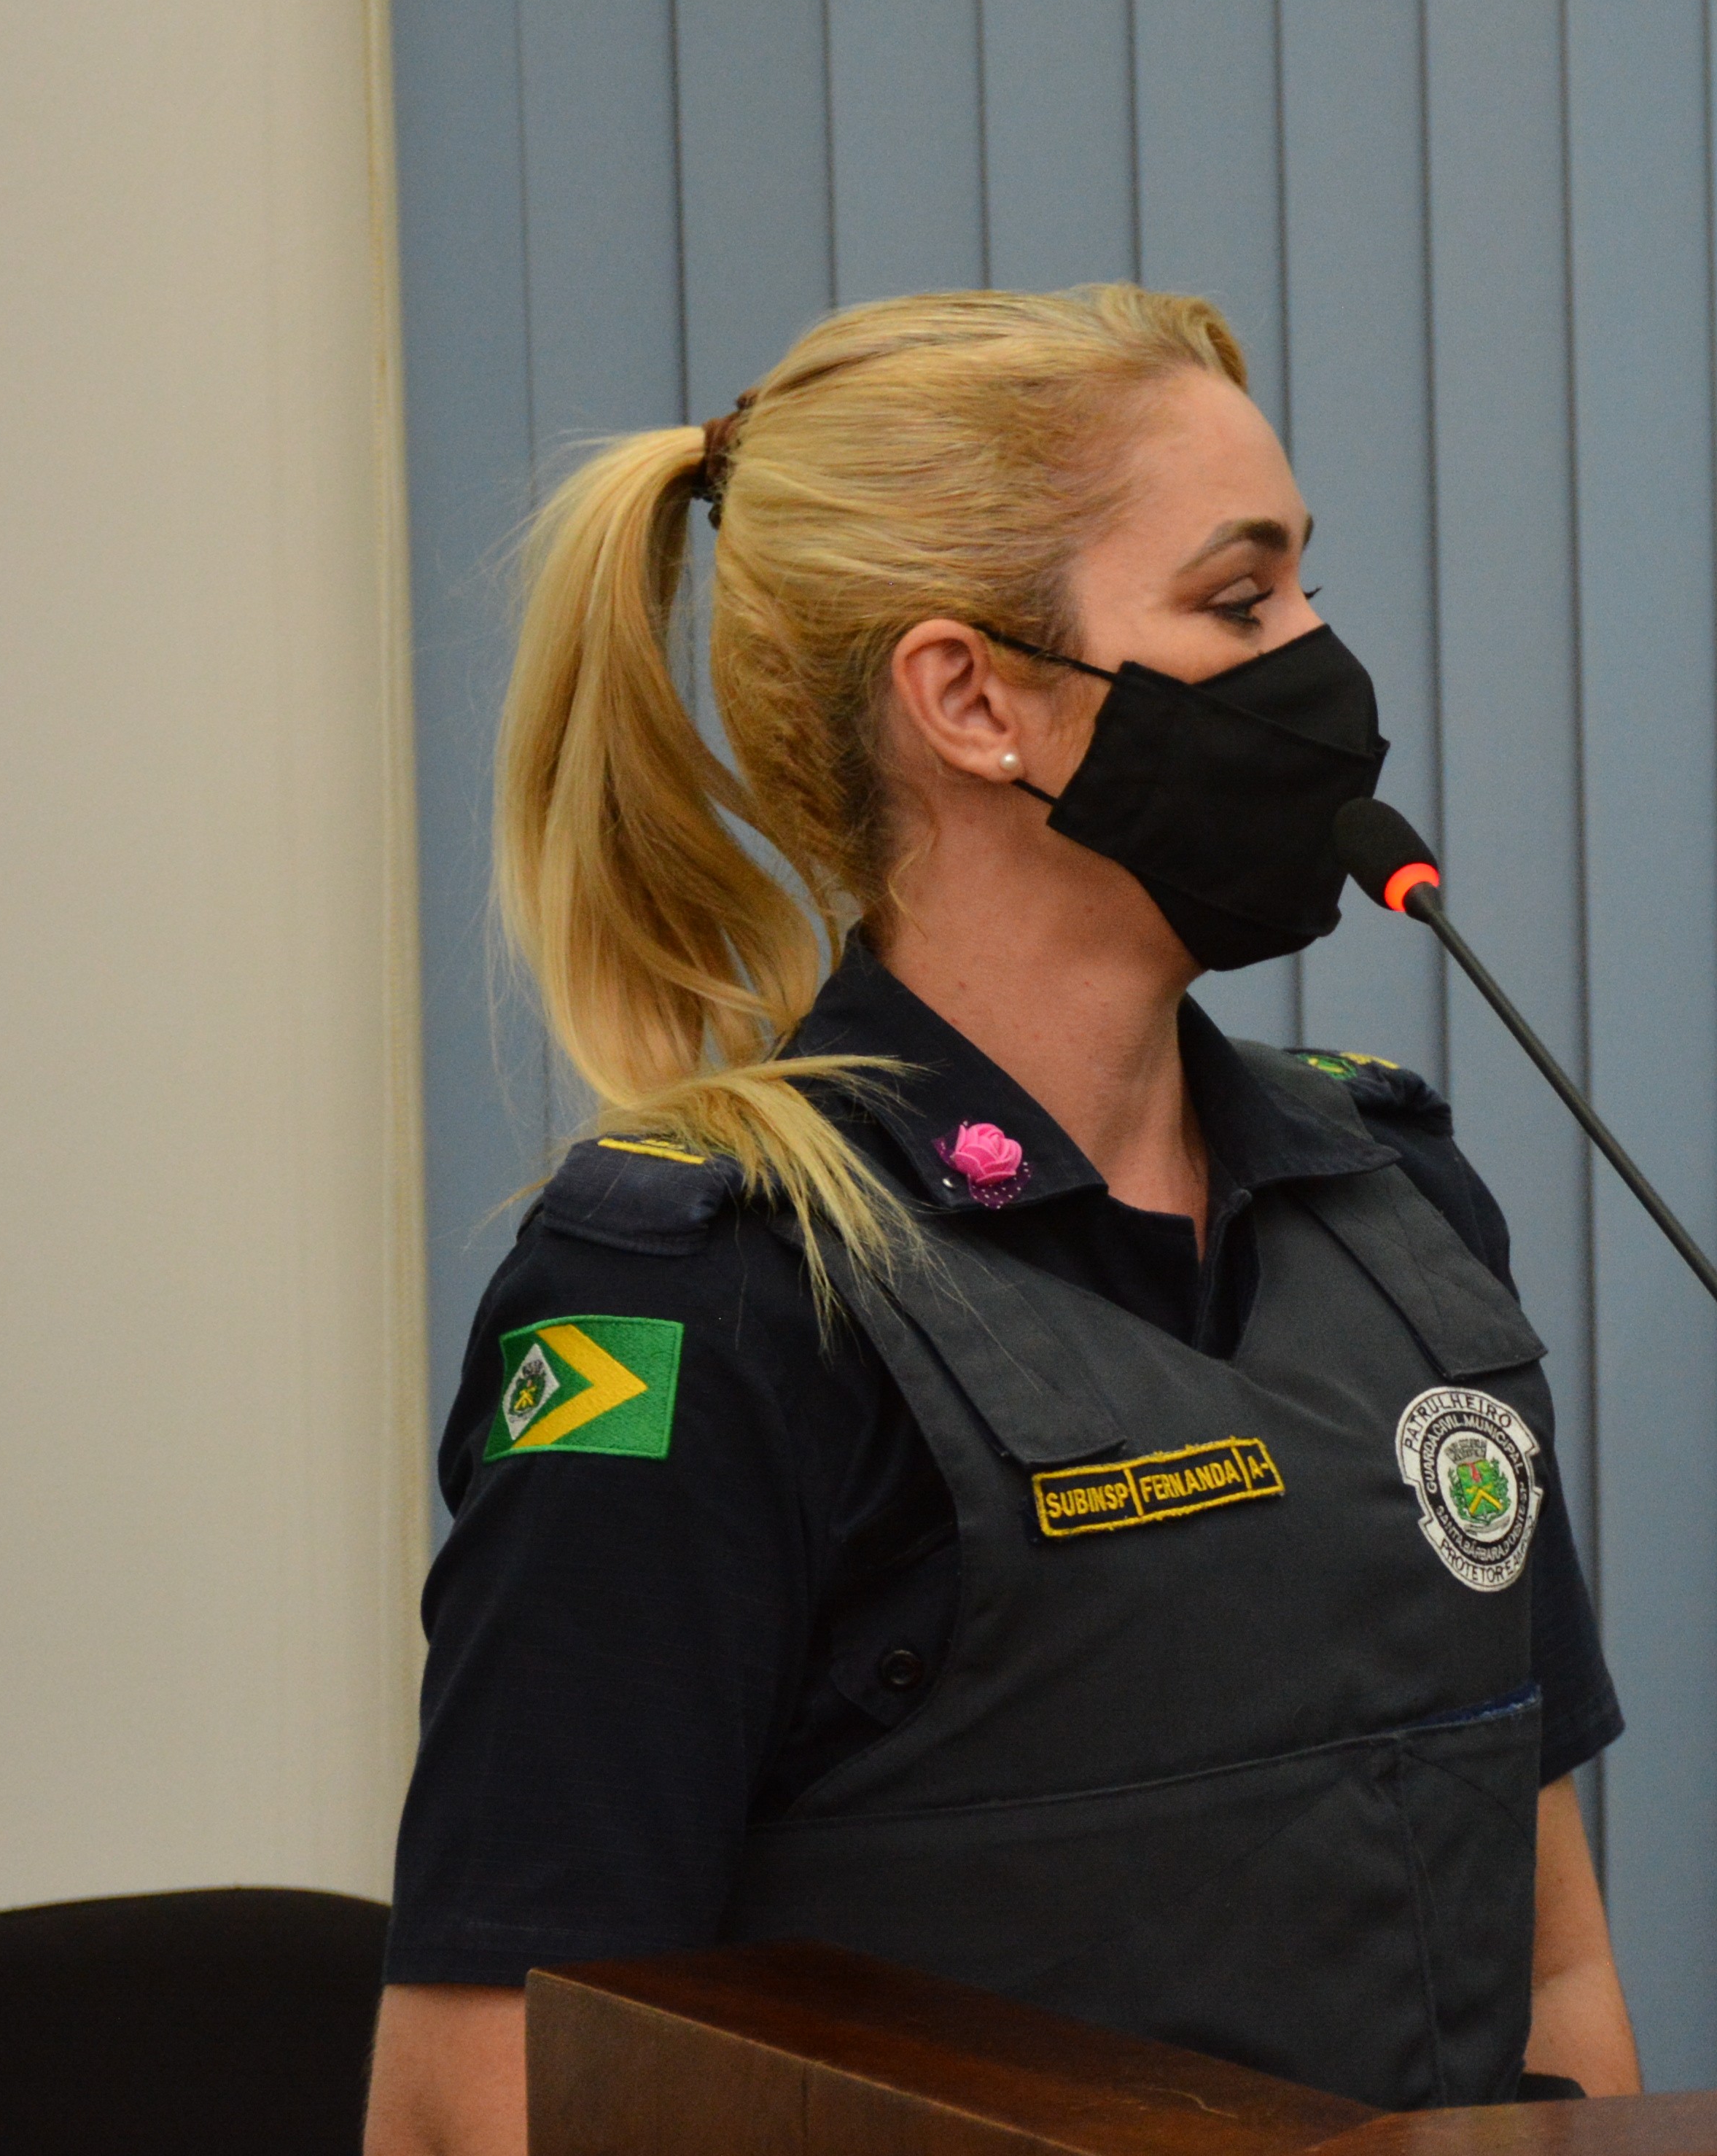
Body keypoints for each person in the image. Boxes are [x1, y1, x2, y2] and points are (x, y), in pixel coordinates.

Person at [363, 287, 1639, 2155]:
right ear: (970, 700)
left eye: (1305, 587)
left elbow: (1555, 1975)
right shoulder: (712, 1299)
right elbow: (475, 2105)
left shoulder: (1395, 1205)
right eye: (1240, 600)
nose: (1323, 662)